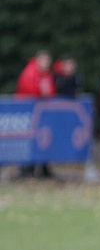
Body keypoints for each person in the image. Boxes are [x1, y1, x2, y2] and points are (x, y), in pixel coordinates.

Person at [15, 50, 56, 179]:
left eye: (48, 61)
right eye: (44, 60)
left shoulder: (47, 74)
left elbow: (52, 90)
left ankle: (43, 169)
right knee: (29, 140)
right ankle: (26, 169)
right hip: (29, 113)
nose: (46, 64)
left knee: (44, 138)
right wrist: (41, 92)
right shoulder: (30, 72)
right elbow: (28, 90)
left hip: (43, 113)